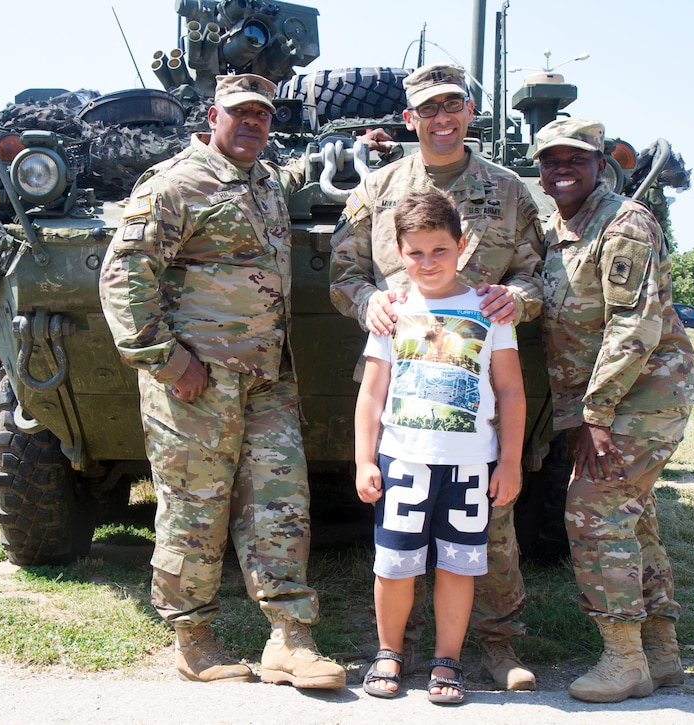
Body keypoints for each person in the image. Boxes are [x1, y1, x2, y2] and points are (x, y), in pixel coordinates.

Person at [98, 73, 346, 689]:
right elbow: (123, 275)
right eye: (241, 114)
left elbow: (299, 174)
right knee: (194, 510)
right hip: (196, 382)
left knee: (281, 505)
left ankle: (290, 638)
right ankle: (193, 639)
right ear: (213, 115)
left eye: (262, 115)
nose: (253, 124)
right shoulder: (176, 184)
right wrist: (164, 357)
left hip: (266, 378)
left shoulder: (264, 181)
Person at [329, 62, 543, 691]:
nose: (441, 118)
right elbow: (344, 270)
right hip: (402, 383)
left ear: (469, 111)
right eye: (428, 108)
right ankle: (397, 649)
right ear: (410, 118)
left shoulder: (507, 189)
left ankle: (498, 646)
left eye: (452, 105)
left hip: (476, 380)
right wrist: (365, 298)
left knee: (488, 533)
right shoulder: (378, 188)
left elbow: (540, 270)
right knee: (399, 540)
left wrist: (519, 299)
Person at [534, 117, 694, 703]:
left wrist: (597, 414)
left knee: (594, 508)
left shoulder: (624, 222)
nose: (562, 168)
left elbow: (634, 324)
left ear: (601, 164)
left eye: (576, 159)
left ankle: (623, 657)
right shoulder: (557, 227)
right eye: (551, 159)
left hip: (643, 396)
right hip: (612, 401)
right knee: (635, 515)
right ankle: (661, 654)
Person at [355, 189, 525, 705]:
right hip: (404, 459)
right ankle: (389, 652)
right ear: (399, 252)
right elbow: (372, 390)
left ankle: (446, 659)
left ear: (463, 245)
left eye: (440, 250)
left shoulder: (490, 309)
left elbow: (511, 389)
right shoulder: (393, 310)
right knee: (395, 563)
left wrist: (511, 462)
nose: (428, 263)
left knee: (458, 565)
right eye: (415, 253)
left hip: (470, 463)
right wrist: (364, 458)